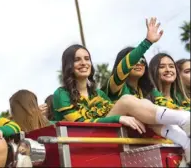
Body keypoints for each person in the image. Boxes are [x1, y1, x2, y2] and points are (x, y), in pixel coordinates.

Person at [53, 21, 190, 164]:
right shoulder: (62, 94)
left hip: (114, 137)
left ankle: (186, 143)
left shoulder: (98, 94)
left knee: (143, 105)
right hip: (86, 142)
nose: (84, 63)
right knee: (127, 100)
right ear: (68, 65)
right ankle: (185, 119)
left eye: (87, 59)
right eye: (77, 60)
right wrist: (147, 43)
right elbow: (80, 125)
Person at [104, 18, 158, 102]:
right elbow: (124, 66)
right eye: (135, 60)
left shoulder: (148, 93)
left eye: (142, 61)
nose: (139, 63)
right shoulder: (115, 86)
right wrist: (147, 42)